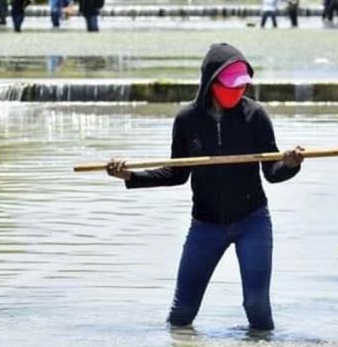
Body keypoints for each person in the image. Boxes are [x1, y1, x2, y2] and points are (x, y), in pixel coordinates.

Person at [106, 43, 304, 331]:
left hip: (253, 221)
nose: (238, 92)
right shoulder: (188, 119)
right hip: (206, 225)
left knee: (257, 307)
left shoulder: (255, 115)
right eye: (231, 86)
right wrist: (131, 177)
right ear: (212, 82)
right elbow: (176, 174)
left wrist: (291, 163)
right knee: (181, 312)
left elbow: (272, 173)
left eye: (242, 87)